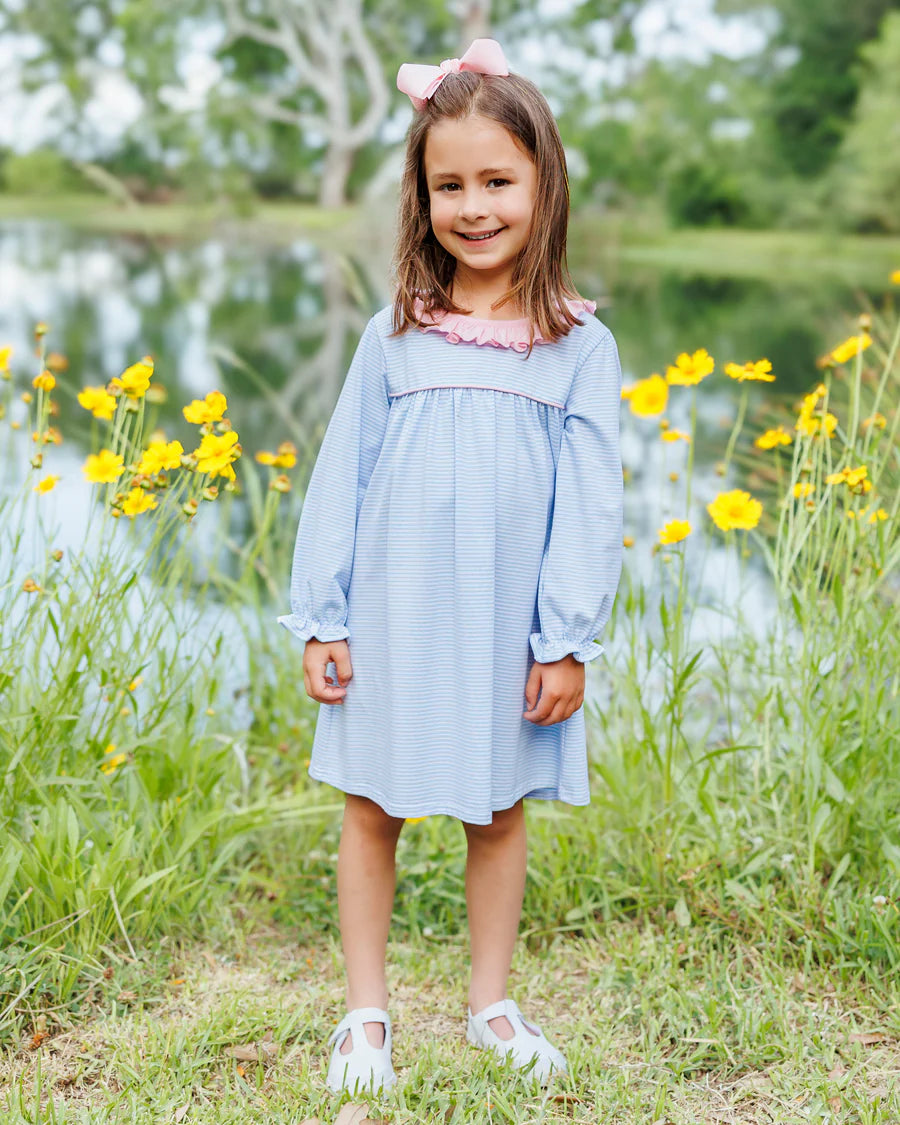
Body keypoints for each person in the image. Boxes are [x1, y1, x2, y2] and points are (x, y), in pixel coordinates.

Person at [277, 37, 624, 1096]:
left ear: (544, 187)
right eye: (449, 185)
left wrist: (565, 639)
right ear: (422, 199)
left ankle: (490, 1005)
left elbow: (593, 504)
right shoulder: (397, 337)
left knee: (497, 810)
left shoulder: (577, 346)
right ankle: (367, 1016)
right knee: (372, 806)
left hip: (503, 625)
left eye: (498, 181)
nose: (474, 206)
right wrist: (322, 614)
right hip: (390, 615)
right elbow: (340, 475)